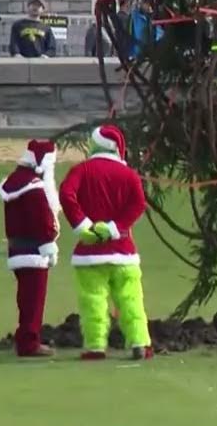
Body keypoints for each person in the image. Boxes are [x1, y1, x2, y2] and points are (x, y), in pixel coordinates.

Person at [57, 124, 153, 361]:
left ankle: (95, 346)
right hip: (123, 252)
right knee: (131, 299)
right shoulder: (129, 174)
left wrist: (84, 226)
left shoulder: (81, 170)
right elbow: (139, 204)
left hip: (89, 254)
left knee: (92, 302)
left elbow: (66, 194)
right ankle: (139, 341)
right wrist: (114, 228)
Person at [0, 139, 62, 358]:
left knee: (26, 299)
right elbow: (42, 219)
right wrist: (49, 245)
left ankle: (25, 338)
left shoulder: (15, 182)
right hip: (34, 251)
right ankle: (29, 343)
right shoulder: (34, 187)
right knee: (33, 301)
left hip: (18, 250)